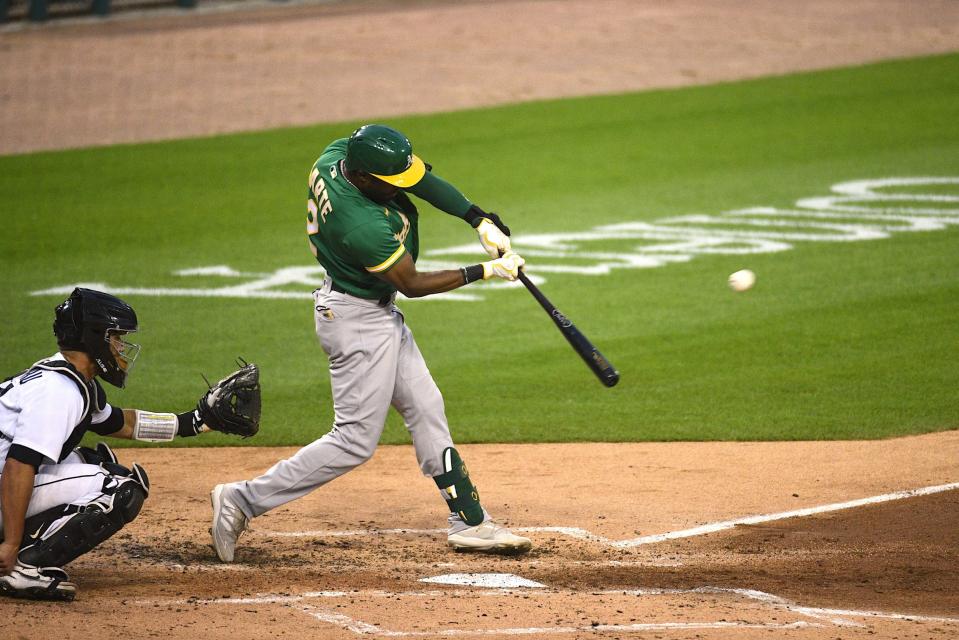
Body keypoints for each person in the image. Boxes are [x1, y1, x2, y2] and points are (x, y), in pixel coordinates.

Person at [210, 124, 532, 561]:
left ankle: (470, 523)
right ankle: (242, 500)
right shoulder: (358, 223)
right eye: (390, 182)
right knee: (354, 441)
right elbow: (413, 283)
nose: (403, 186)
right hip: (357, 321)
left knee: (426, 406)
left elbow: (418, 179)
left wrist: (477, 216)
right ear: (362, 179)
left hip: (373, 313)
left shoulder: (339, 154)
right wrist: (485, 271)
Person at [0, 287, 259, 601]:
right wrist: (10, 543)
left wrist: (194, 422)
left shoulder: (66, 379)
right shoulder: (59, 392)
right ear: (93, 337)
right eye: (115, 338)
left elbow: (122, 423)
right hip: (5, 478)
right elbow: (18, 467)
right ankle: (20, 568)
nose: (121, 347)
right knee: (120, 490)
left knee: (94, 463)